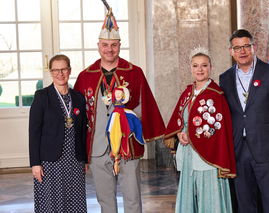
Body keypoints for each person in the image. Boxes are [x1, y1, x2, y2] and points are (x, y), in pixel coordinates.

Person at [73, 5, 165, 213]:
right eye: (105, 45)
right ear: (98, 46)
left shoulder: (134, 73)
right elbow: (78, 118)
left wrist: (136, 126)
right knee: (104, 199)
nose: (109, 50)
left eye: (113, 45)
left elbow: (146, 105)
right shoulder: (85, 76)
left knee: (132, 197)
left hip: (128, 145)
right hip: (98, 148)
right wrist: (80, 151)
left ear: (120, 46)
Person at [219, 29, 269, 213]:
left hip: (267, 149)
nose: (242, 51)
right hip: (238, 150)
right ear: (231, 51)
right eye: (237, 48)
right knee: (244, 203)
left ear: (254, 47)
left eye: (246, 46)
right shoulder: (225, 78)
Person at [164, 47, 236, 213]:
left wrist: (195, 135)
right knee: (190, 194)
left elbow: (219, 127)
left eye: (204, 65)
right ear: (190, 68)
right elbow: (180, 119)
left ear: (210, 67)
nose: (200, 69)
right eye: (196, 66)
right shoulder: (187, 92)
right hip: (189, 153)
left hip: (209, 155)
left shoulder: (216, 94)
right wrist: (180, 133)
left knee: (209, 195)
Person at [29, 54, 87, 212]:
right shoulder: (42, 97)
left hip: (74, 160)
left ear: (69, 70)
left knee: (75, 202)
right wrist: (35, 163)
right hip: (50, 161)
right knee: (52, 203)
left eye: (63, 69)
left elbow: (82, 130)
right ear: (50, 72)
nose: (60, 73)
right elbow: (34, 132)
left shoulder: (78, 97)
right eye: (55, 70)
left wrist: (84, 159)